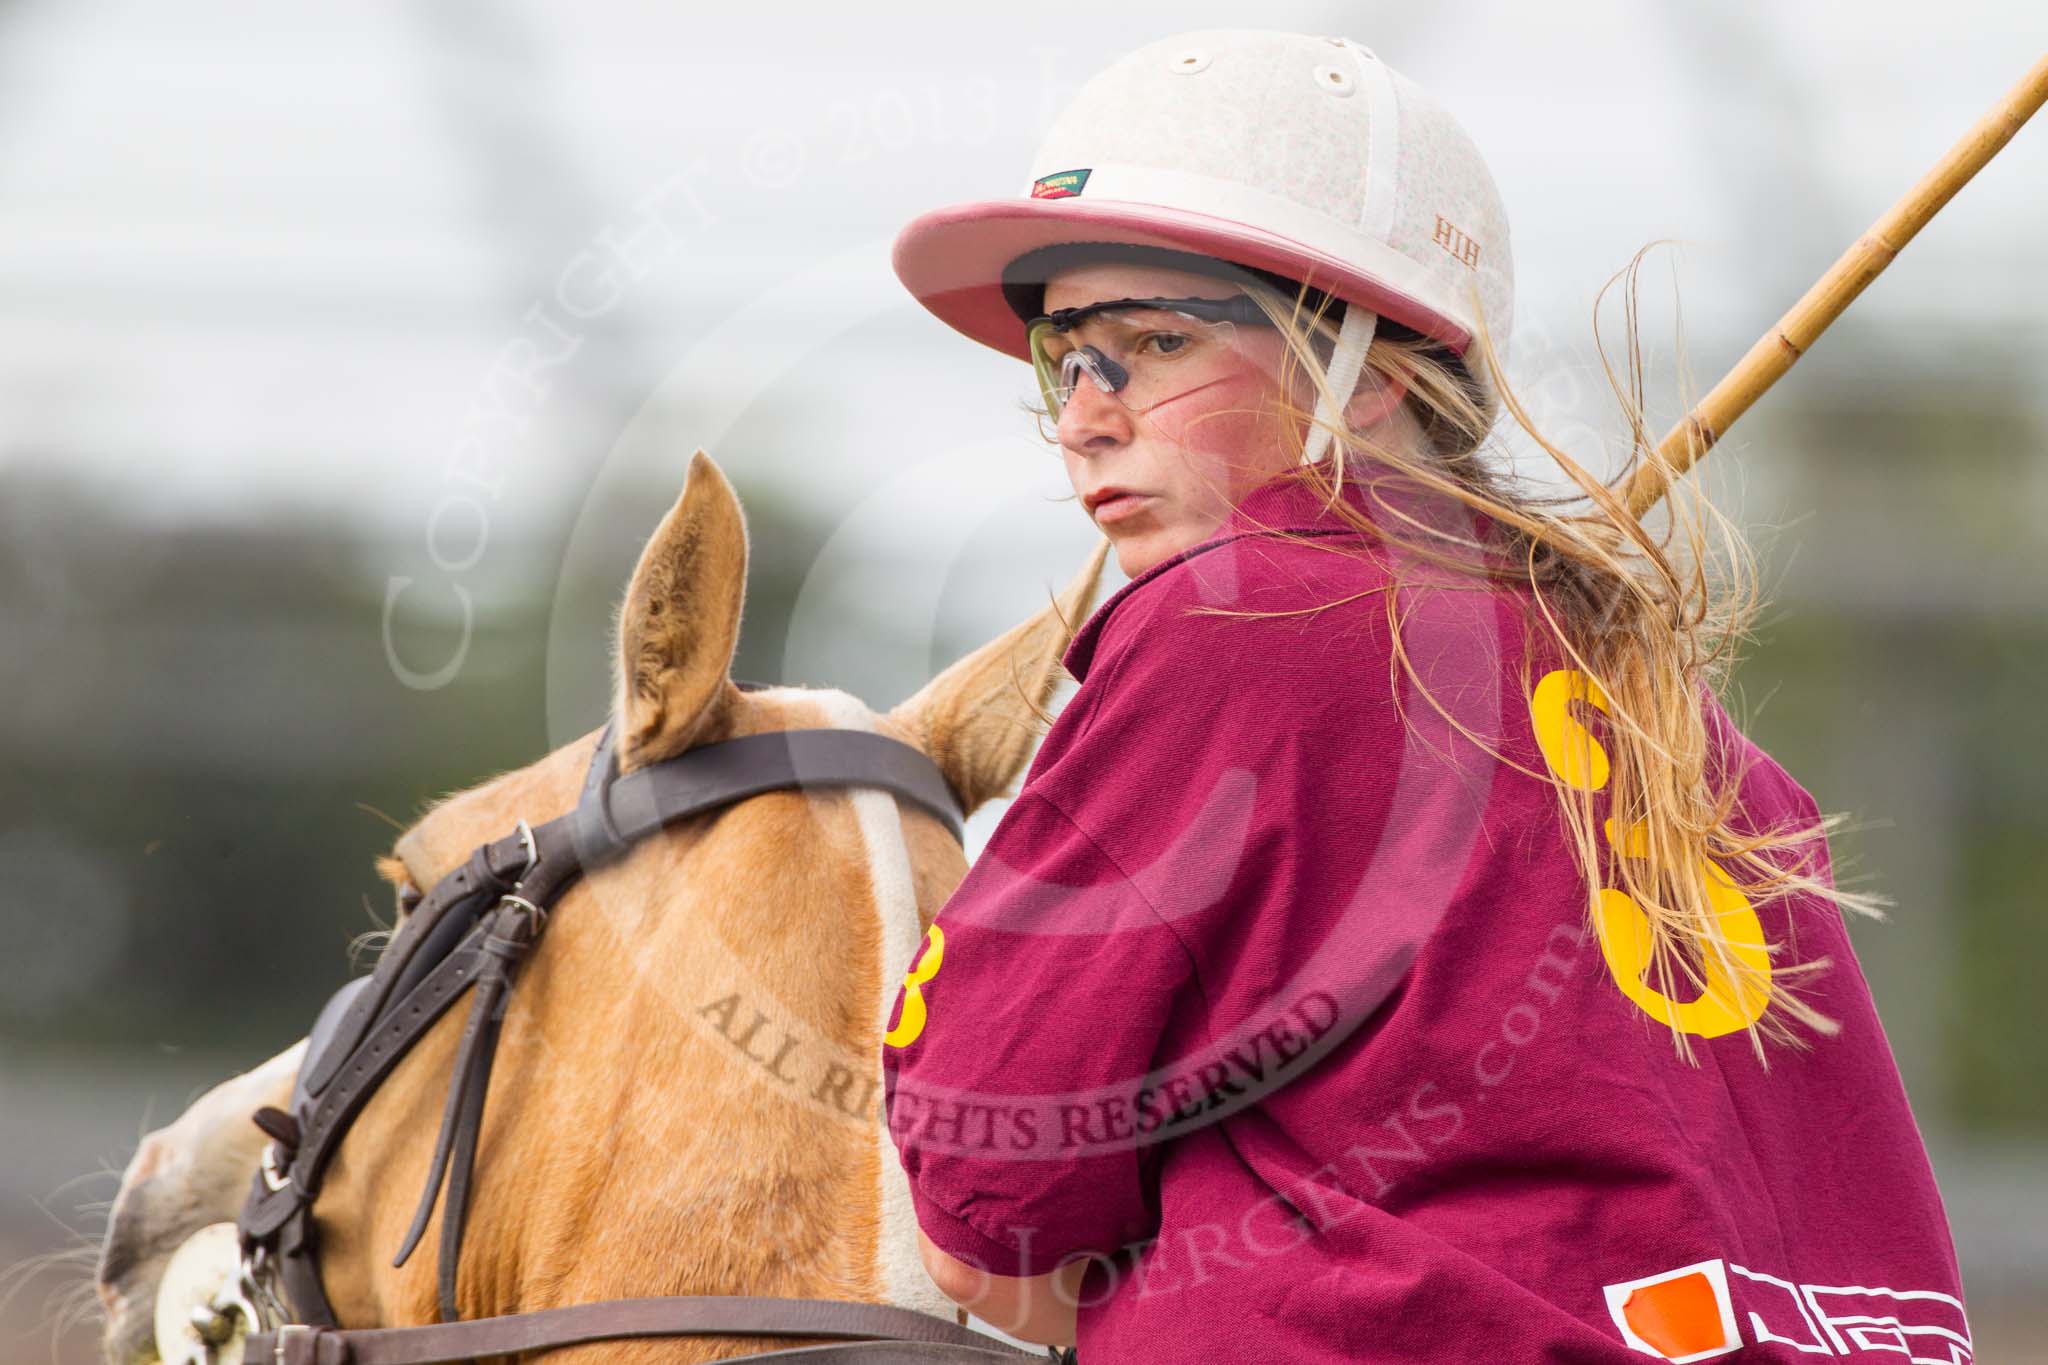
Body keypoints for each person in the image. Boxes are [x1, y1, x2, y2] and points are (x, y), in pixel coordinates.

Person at [880, 30, 1968, 1363]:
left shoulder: (1236, 623)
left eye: (1154, 343)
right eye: (1066, 361)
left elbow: (985, 1204)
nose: (1083, 419)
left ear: (1375, 366)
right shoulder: (1698, 734)